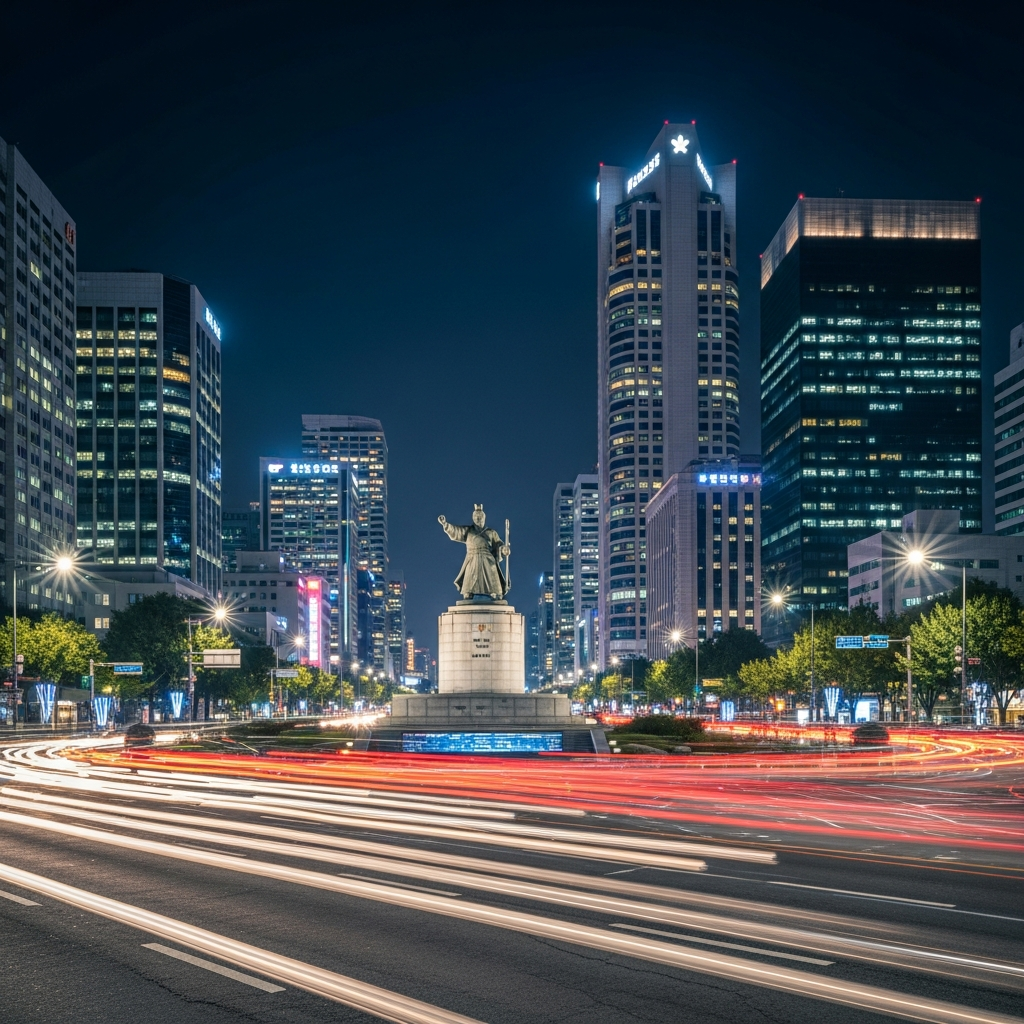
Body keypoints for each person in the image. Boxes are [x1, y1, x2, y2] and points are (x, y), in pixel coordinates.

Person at [438, 504, 510, 600]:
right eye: (476, 517)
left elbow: (498, 543)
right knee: (470, 576)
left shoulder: (491, 532)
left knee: (491, 576)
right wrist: (445, 524)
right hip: (472, 557)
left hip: (487, 558)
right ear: (473, 518)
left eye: (480, 517)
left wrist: (503, 549)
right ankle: (468, 592)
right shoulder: (468, 531)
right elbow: (456, 531)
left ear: (484, 518)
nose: (478, 519)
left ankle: (494, 592)